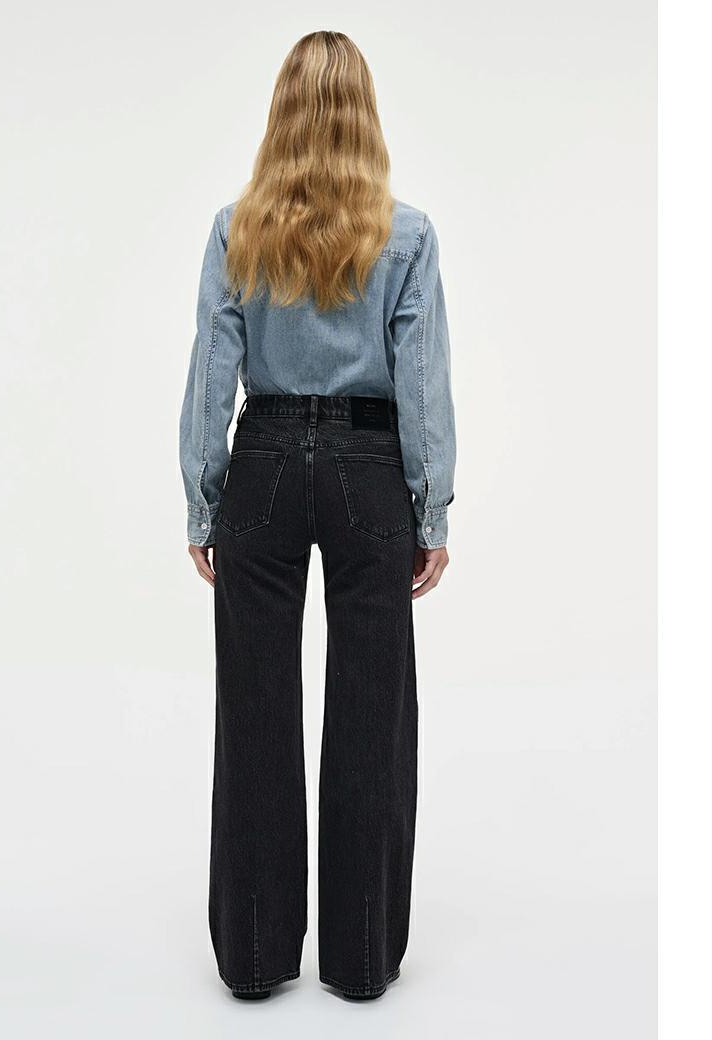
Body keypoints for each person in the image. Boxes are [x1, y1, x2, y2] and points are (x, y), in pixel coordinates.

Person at [179, 30, 456, 1001]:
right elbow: (421, 385)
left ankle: (255, 959)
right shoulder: (406, 235)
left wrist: (203, 498)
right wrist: (430, 508)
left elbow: (212, 375)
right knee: (372, 713)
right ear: (364, 116)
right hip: (370, 468)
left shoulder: (236, 229)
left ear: (281, 114)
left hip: (260, 461)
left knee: (253, 711)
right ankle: (361, 957)